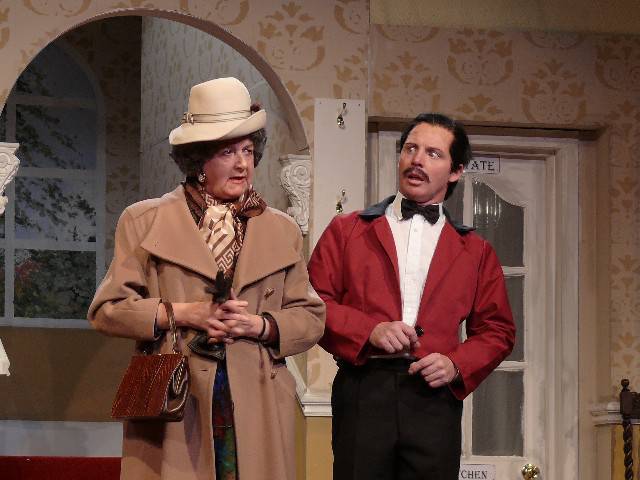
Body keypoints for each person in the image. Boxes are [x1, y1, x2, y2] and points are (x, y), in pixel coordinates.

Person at [89, 77, 325, 480]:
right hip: (176, 395)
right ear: (198, 159)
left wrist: (259, 324)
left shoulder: (281, 228)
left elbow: (310, 317)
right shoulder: (145, 220)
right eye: (227, 151)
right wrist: (184, 313)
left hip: (257, 394)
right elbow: (108, 311)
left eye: (248, 150)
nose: (242, 164)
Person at [308, 113, 515, 480]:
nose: (417, 160)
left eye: (433, 153)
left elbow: (497, 330)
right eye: (410, 149)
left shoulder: (476, 251)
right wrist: (369, 330)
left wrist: (455, 364)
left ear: (456, 171)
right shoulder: (346, 230)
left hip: (433, 395)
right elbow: (310, 304)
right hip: (363, 388)